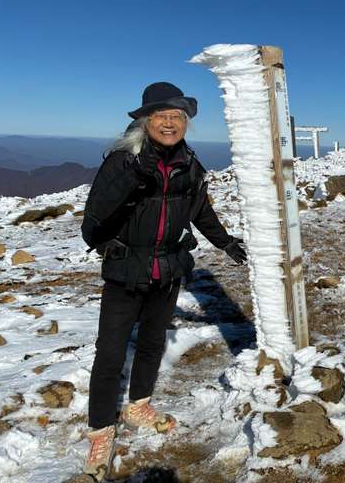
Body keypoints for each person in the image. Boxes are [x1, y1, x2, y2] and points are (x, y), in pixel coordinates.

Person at [79, 82, 247, 481]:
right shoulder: (122, 161)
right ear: (145, 121)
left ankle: (138, 406)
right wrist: (131, 181)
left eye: (177, 117)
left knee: (153, 342)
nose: (170, 123)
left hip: (169, 269)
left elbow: (200, 211)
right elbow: (93, 224)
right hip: (126, 270)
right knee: (110, 352)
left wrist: (224, 242)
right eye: (161, 116)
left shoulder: (190, 163)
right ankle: (101, 431)